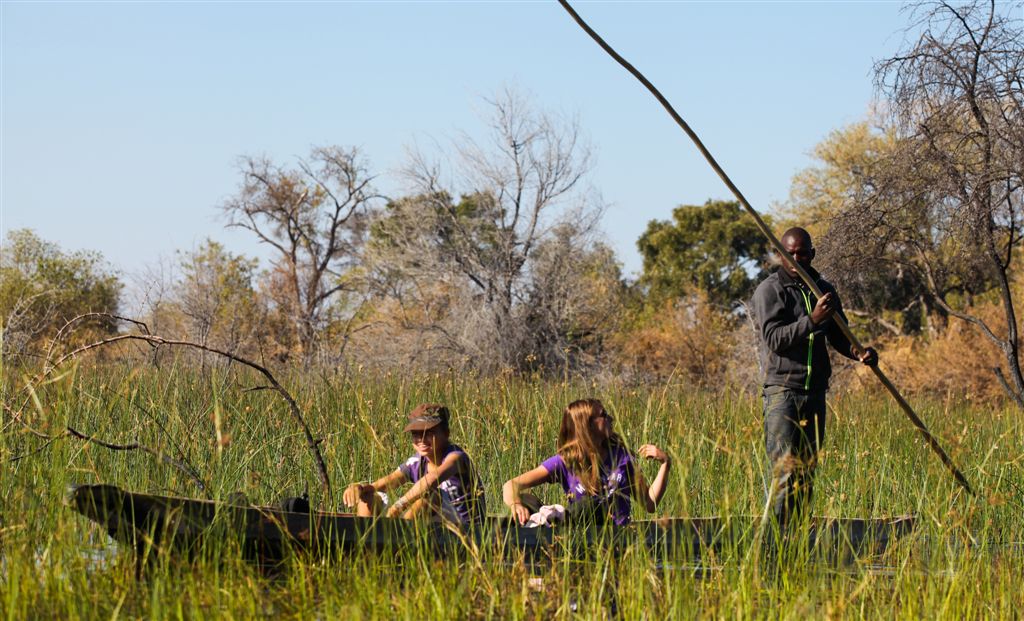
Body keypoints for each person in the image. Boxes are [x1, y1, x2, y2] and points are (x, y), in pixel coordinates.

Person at [750, 227, 878, 529]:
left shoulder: (823, 290)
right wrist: (812, 320)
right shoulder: (770, 291)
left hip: (814, 393)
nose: (796, 259)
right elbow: (775, 339)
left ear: (812, 254)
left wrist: (859, 353)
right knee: (785, 474)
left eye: (803, 253)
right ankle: (773, 547)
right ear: (780, 255)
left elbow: (838, 334)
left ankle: (797, 544)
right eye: (790, 254)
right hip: (782, 392)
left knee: (807, 474)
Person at [502, 398, 671, 526]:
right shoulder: (565, 462)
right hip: (583, 536)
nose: (611, 418)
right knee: (582, 507)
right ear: (587, 425)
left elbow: (649, 504)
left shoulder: (622, 457)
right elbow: (510, 485)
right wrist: (516, 504)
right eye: (603, 415)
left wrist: (665, 464)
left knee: (589, 506)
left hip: (617, 535)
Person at [342, 403, 486, 525]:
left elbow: (430, 481)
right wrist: (359, 488)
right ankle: (365, 543)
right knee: (368, 496)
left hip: (466, 529)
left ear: (446, 433)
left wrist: (396, 508)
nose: (421, 440)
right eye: (416, 434)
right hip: (436, 526)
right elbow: (386, 483)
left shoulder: (456, 457)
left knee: (430, 495)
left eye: (429, 433)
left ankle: (397, 541)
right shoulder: (416, 462)